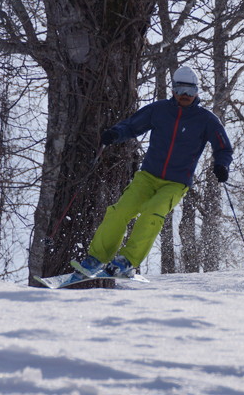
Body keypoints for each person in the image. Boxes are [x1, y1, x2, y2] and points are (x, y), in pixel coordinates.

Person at [74, 66, 233, 278]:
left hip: (176, 182)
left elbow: (223, 147)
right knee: (120, 211)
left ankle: (127, 260)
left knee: (152, 212)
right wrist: (115, 134)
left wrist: (221, 165)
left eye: (190, 91)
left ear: (197, 92)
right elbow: (131, 126)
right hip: (148, 176)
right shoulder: (159, 110)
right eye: (181, 90)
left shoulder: (206, 119)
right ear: (173, 90)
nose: (185, 96)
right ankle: (97, 258)